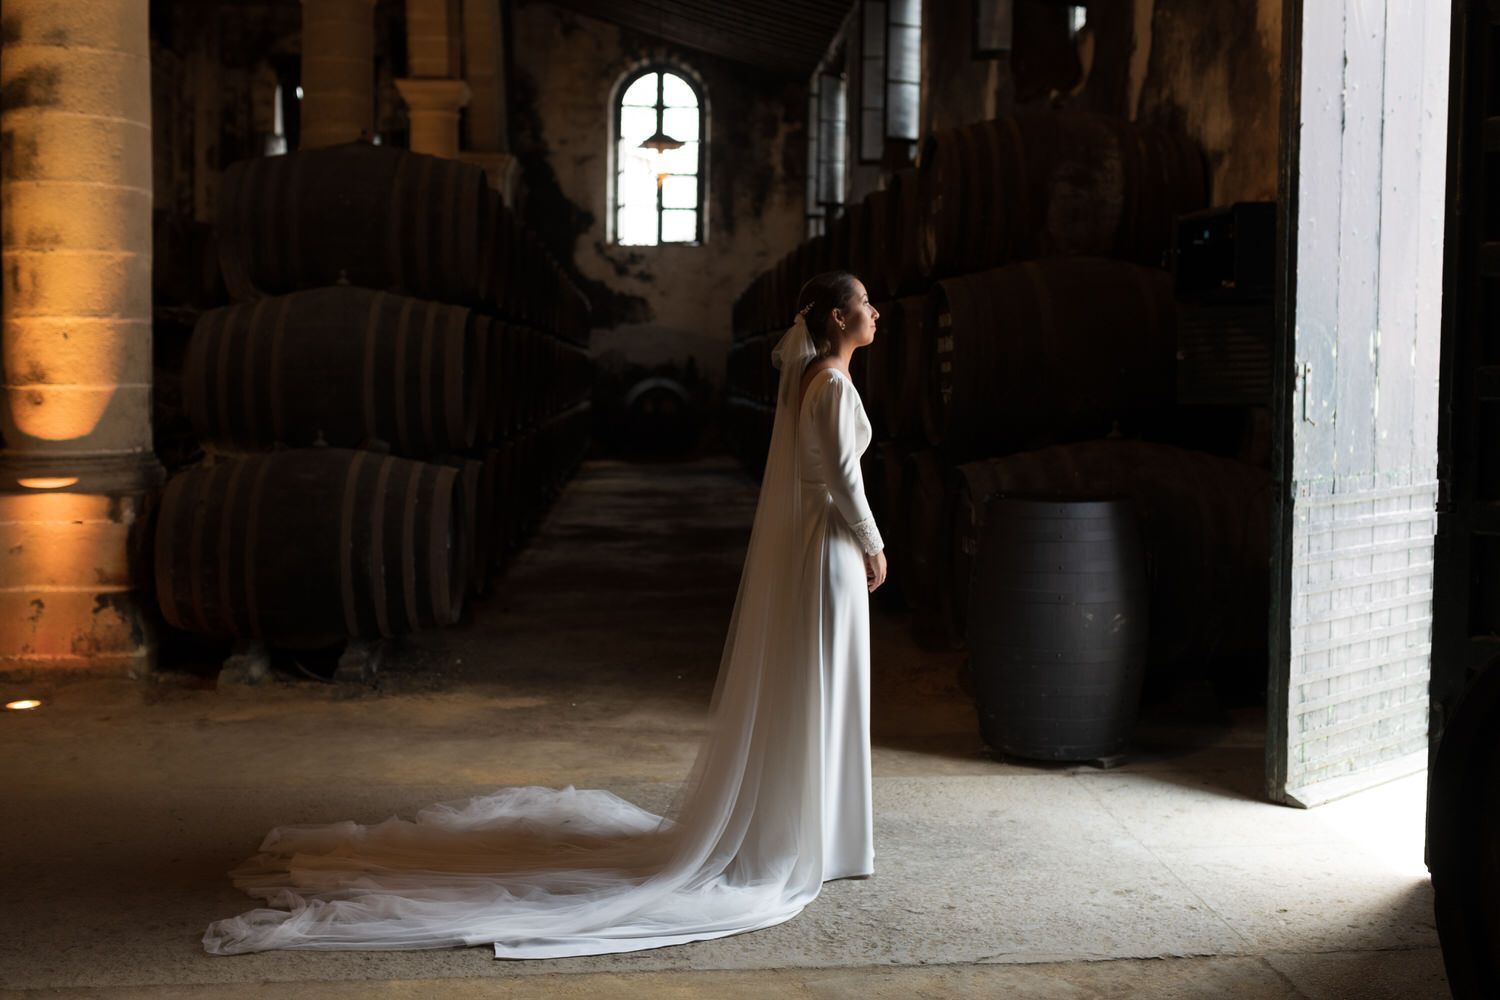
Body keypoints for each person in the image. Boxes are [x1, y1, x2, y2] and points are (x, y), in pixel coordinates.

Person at [201, 270, 889, 958]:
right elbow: (840, 476)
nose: (876, 312)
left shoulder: (814, 378)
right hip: (828, 545)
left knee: (818, 686)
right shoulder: (827, 383)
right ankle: (816, 839)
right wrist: (874, 541)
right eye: (864, 303)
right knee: (823, 684)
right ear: (834, 317)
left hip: (818, 544)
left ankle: (814, 834)